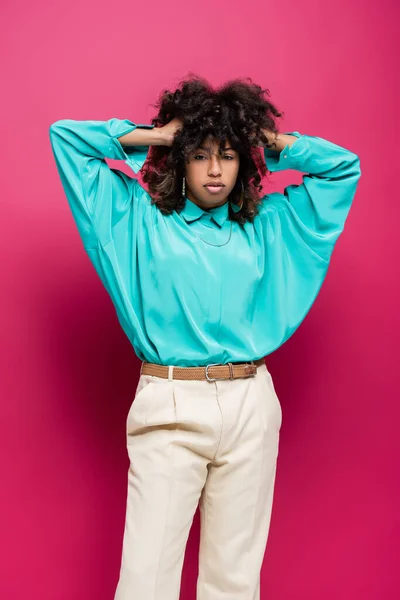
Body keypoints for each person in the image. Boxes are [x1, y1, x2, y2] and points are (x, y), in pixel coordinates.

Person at [49, 74, 361, 600]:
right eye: (199, 155)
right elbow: (66, 139)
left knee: (234, 581)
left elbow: (342, 169)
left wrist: (268, 142)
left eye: (228, 155)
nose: (215, 170)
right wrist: (162, 134)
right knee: (146, 582)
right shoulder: (135, 221)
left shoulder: (269, 224)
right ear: (179, 159)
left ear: (244, 161)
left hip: (251, 403)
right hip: (171, 400)